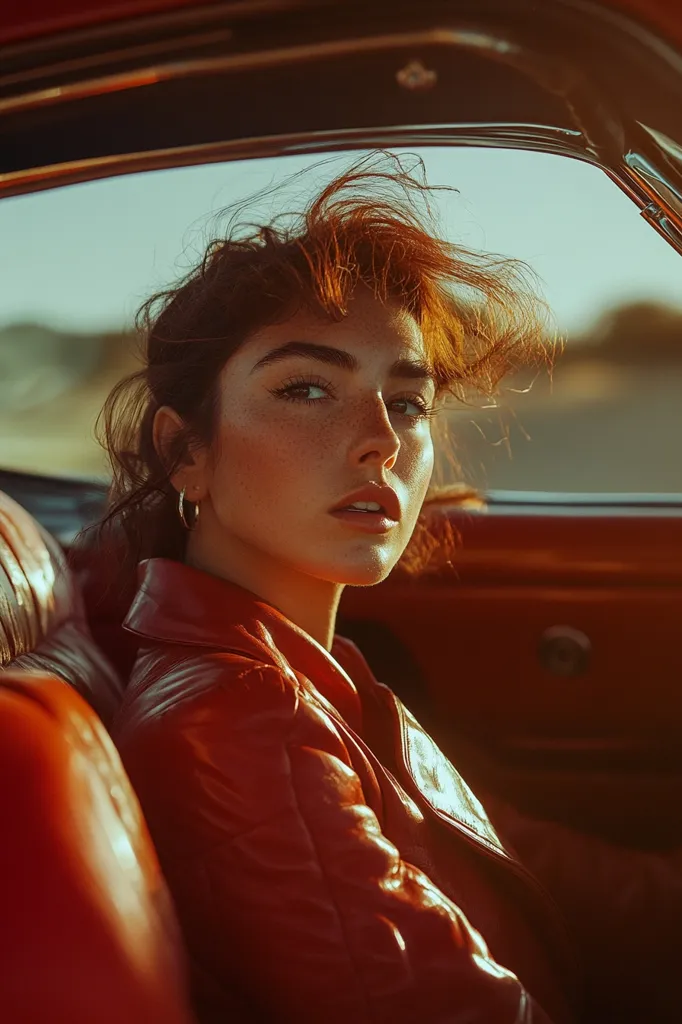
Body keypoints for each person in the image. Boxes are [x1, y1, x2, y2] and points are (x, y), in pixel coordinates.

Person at [97, 155, 679, 1024]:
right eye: (306, 389)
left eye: (407, 402)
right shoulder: (245, 725)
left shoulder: (305, 669)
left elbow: (516, 856)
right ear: (188, 451)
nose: (380, 440)